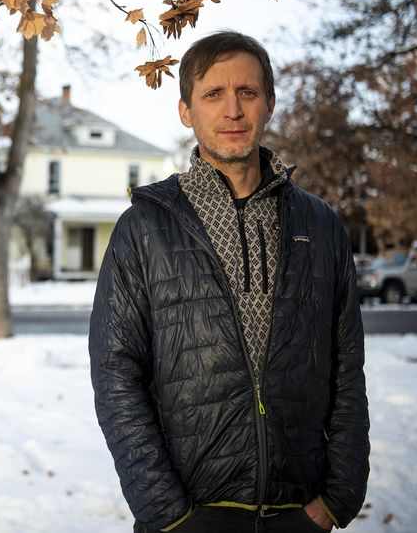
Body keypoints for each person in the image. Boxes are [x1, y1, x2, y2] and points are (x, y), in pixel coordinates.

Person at [89, 31, 369, 533]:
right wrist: (167, 514)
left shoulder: (321, 225)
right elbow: (115, 374)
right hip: (190, 516)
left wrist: (336, 500)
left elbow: (347, 366)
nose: (233, 110)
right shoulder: (145, 227)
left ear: (270, 104)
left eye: (247, 92)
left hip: (299, 512)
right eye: (213, 94)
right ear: (185, 111)